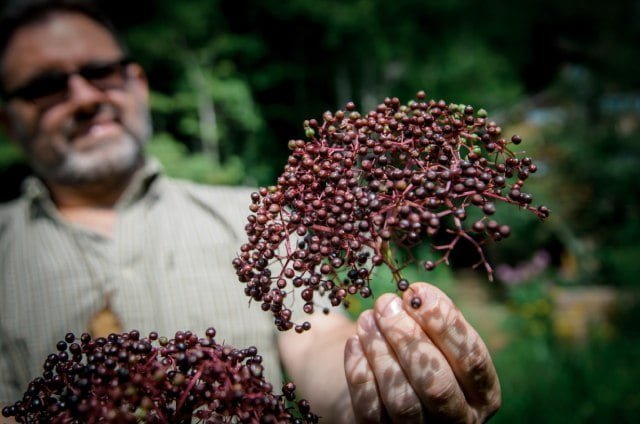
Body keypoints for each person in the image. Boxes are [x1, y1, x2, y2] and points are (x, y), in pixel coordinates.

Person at [0, 1, 501, 422]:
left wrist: (371, 395)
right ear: (7, 120)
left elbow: (315, 341)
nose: (84, 97)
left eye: (99, 72)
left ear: (138, 83)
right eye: (46, 86)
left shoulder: (254, 216)